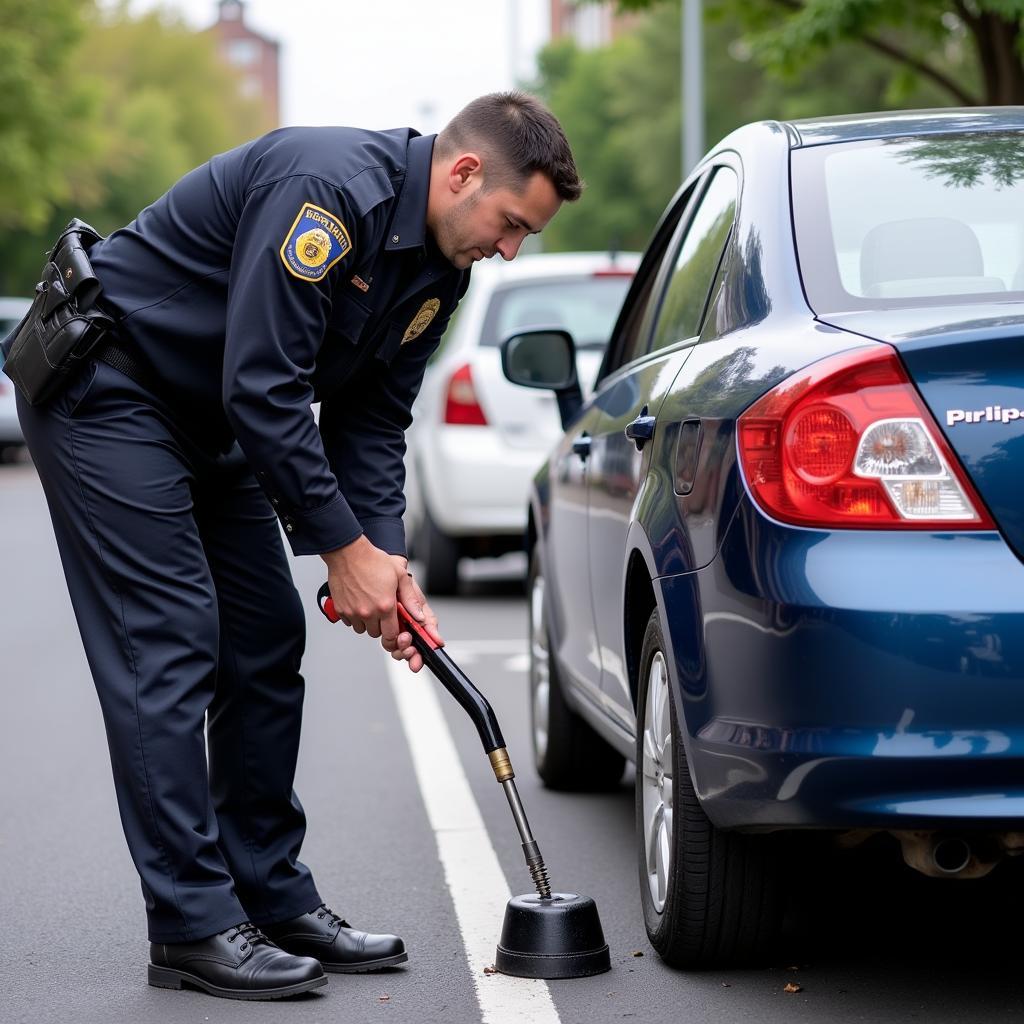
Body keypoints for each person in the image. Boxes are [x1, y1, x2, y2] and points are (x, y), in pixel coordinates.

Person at [14, 91, 582, 1001]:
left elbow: (372, 422)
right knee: (172, 642)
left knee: (267, 641)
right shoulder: (329, 192)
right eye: (511, 223)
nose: (509, 248)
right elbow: (266, 384)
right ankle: (192, 926)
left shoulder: (440, 272)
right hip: (109, 391)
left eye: (526, 237)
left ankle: (271, 896)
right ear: (463, 172)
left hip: (213, 417)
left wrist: (385, 564)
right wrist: (341, 550)